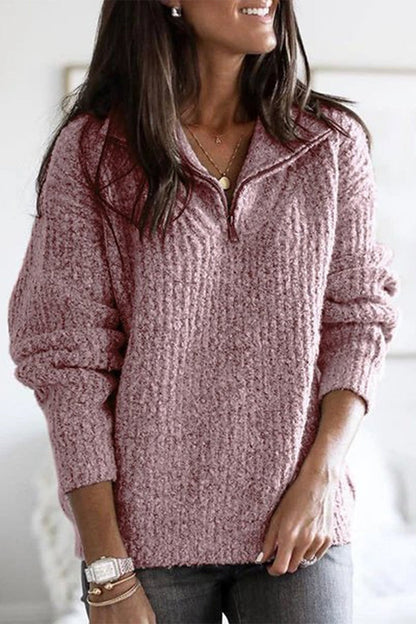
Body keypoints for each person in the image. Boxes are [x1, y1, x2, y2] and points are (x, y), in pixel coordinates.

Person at [7, 0, 399, 622]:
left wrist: (323, 477)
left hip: (300, 527)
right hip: (145, 544)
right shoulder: (96, 151)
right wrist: (106, 567)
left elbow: (359, 319)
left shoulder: (328, 144)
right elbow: (66, 363)